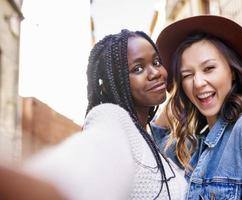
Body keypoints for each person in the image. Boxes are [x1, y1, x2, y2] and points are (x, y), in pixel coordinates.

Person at [0, 29, 187, 200]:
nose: (155, 72)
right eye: (137, 68)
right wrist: (53, 185)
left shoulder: (149, 135)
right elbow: (91, 157)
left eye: (156, 62)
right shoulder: (111, 118)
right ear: (111, 83)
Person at [152, 15, 242, 199]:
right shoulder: (201, 143)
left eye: (208, 68)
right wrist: (177, 96)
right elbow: (157, 147)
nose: (198, 83)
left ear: (233, 72)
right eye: (187, 75)